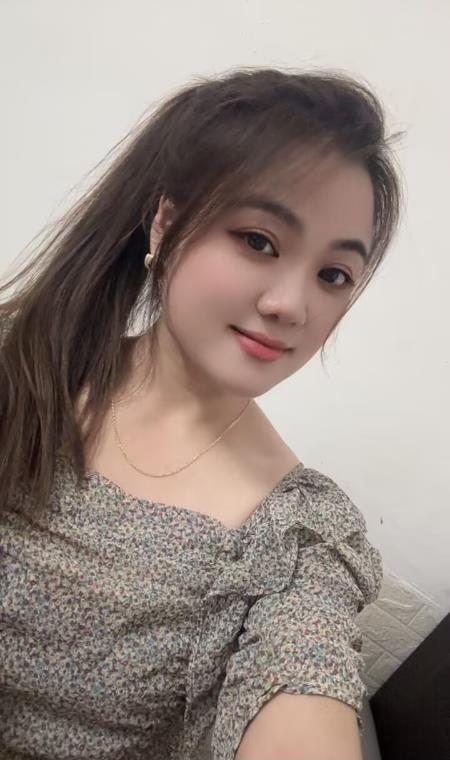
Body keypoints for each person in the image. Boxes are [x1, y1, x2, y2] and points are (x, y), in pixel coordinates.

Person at [0, 67, 401, 759]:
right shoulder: (22, 365)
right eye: (259, 241)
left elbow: (305, 659)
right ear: (166, 222)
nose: (291, 305)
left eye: (333, 275)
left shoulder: (297, 535)